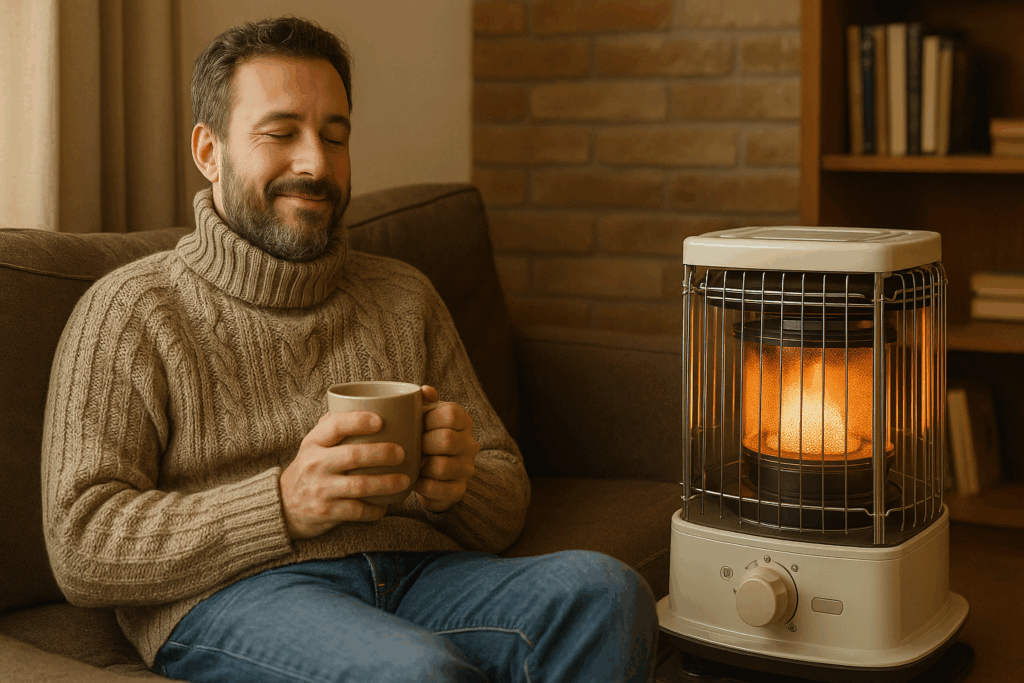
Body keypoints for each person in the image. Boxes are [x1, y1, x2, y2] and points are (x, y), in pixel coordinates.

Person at [41, 15, 657, 683]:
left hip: (423, 573)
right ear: (208, 150)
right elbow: (81, 539)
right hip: (239, 593)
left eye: (335, 136)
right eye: (281, 133)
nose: (315, 164)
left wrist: (460, 482)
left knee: (607, 595)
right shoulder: (132, 309)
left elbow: (506, 491)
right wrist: (282, 502)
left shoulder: (403, 295)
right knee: (416, 672)